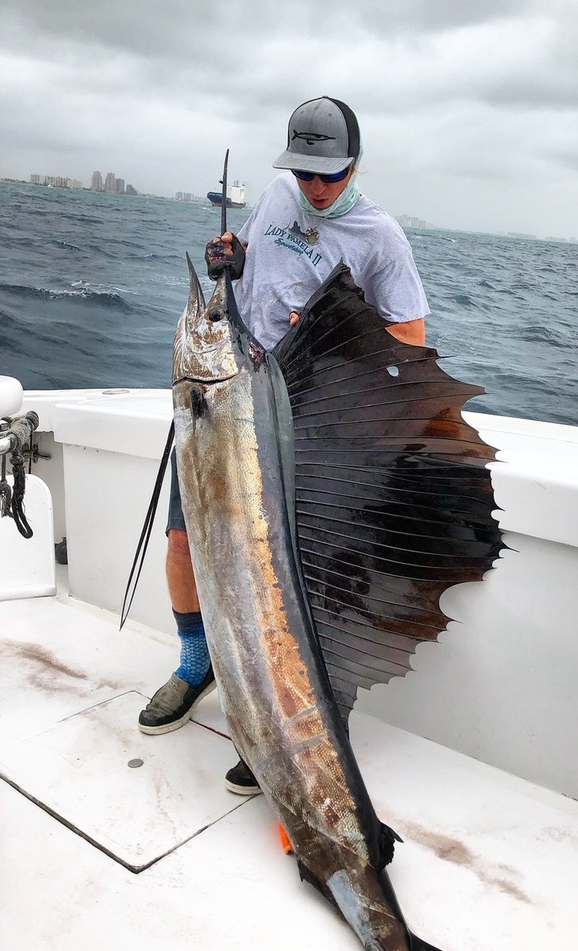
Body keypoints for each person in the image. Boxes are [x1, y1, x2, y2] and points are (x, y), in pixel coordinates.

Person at [138, 96, 430, 794]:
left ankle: (278, 711)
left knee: (279, 571)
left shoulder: (381, 237)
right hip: (226, 395)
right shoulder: (276, 195)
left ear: (354, 165)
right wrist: (232, 256)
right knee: (184, 540)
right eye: (305, 173)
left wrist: (333, 331)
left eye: (329, 175)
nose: (316, 187)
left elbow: (411, 337)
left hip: (301, 420)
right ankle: (196, 664)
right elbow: (249, 260)